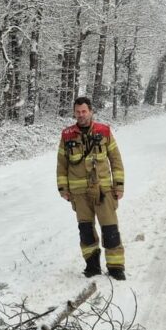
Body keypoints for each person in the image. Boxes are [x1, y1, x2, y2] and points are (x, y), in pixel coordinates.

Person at [56, 96, 126, 279]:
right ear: (74, 113)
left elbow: (116, 160)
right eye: (77, 112)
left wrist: (118, 186)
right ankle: (92, 266)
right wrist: (63, 188)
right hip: (79, 193)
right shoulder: (67, 135)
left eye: (84, 111)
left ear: (91, 111)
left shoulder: (104, 131)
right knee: (86, 231)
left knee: (110, 229)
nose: (81, 115)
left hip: (104, 190)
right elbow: (61, 164)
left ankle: (116, 268)